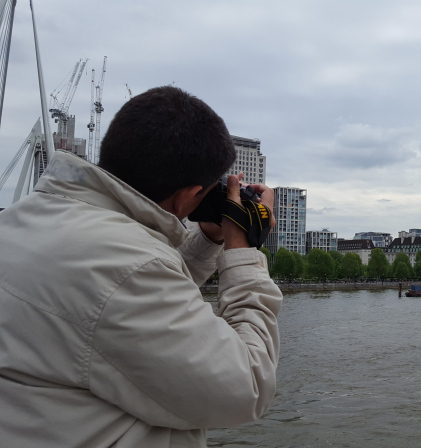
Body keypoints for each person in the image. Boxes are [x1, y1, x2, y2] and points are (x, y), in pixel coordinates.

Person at [0, 86, 282, 447]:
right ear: (187, 195)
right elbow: (248, 388)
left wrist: (210, 238)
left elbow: (128, 302)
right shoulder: (128, 265)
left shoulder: (25, 219)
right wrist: (241, 249)